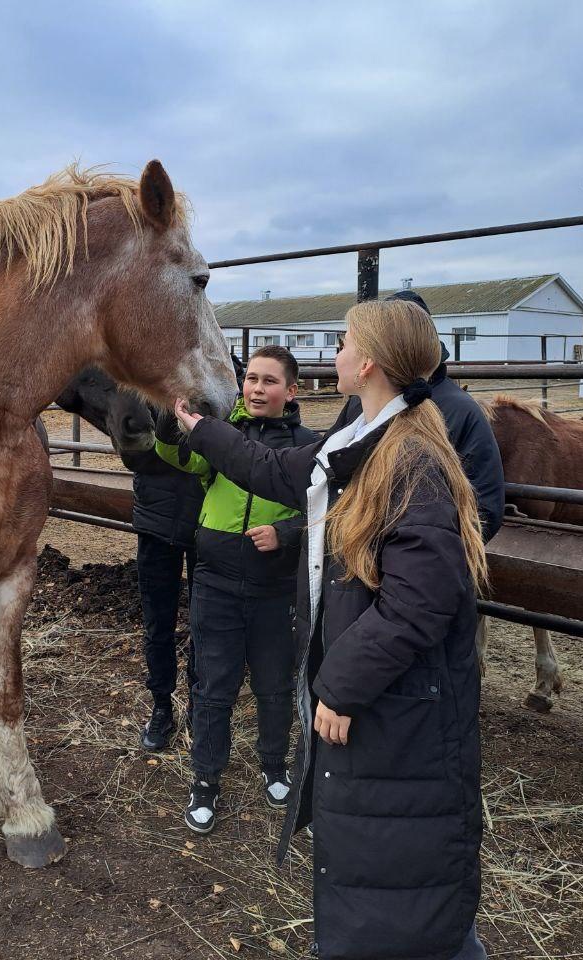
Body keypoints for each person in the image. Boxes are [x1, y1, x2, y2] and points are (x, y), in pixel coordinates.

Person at [172, 300, 494, 960]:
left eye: (344, 342)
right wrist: (200, 428)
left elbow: (422, 601)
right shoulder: (369, 439)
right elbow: (276, 470)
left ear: (368, 361)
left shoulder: (410, 462)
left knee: (400, 869)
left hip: (398, 711)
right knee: (387, 867)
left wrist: (340, 686)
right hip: (390, 705)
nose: (336, 353)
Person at [155, 345, 318, 834]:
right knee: (214, 686)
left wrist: (286, 535)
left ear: (291, 391)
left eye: (270, 381)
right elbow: (173, 456)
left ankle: (274, 766)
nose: (257, 388)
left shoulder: (307, 446)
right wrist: (172, 415)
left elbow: (327, 513)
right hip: (217, 582)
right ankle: (205, 780)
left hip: (275, 587)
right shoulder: (224, 437)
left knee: (274, 684)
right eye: (251, 379)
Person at [327, 289, 504, 541]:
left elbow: (483, 507)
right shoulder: (360, 404)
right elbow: (329, 463)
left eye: (345, 345)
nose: (338, 355)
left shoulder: (460, 411)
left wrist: (430, 553)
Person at [119, 422, 206, 751]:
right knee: (158, 622)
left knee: (205, 621)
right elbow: (130, 448)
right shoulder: (145, 387)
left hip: (207, 522)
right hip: (157, 520)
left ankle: (200, 706)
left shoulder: (224, 384)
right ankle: (162, 705)